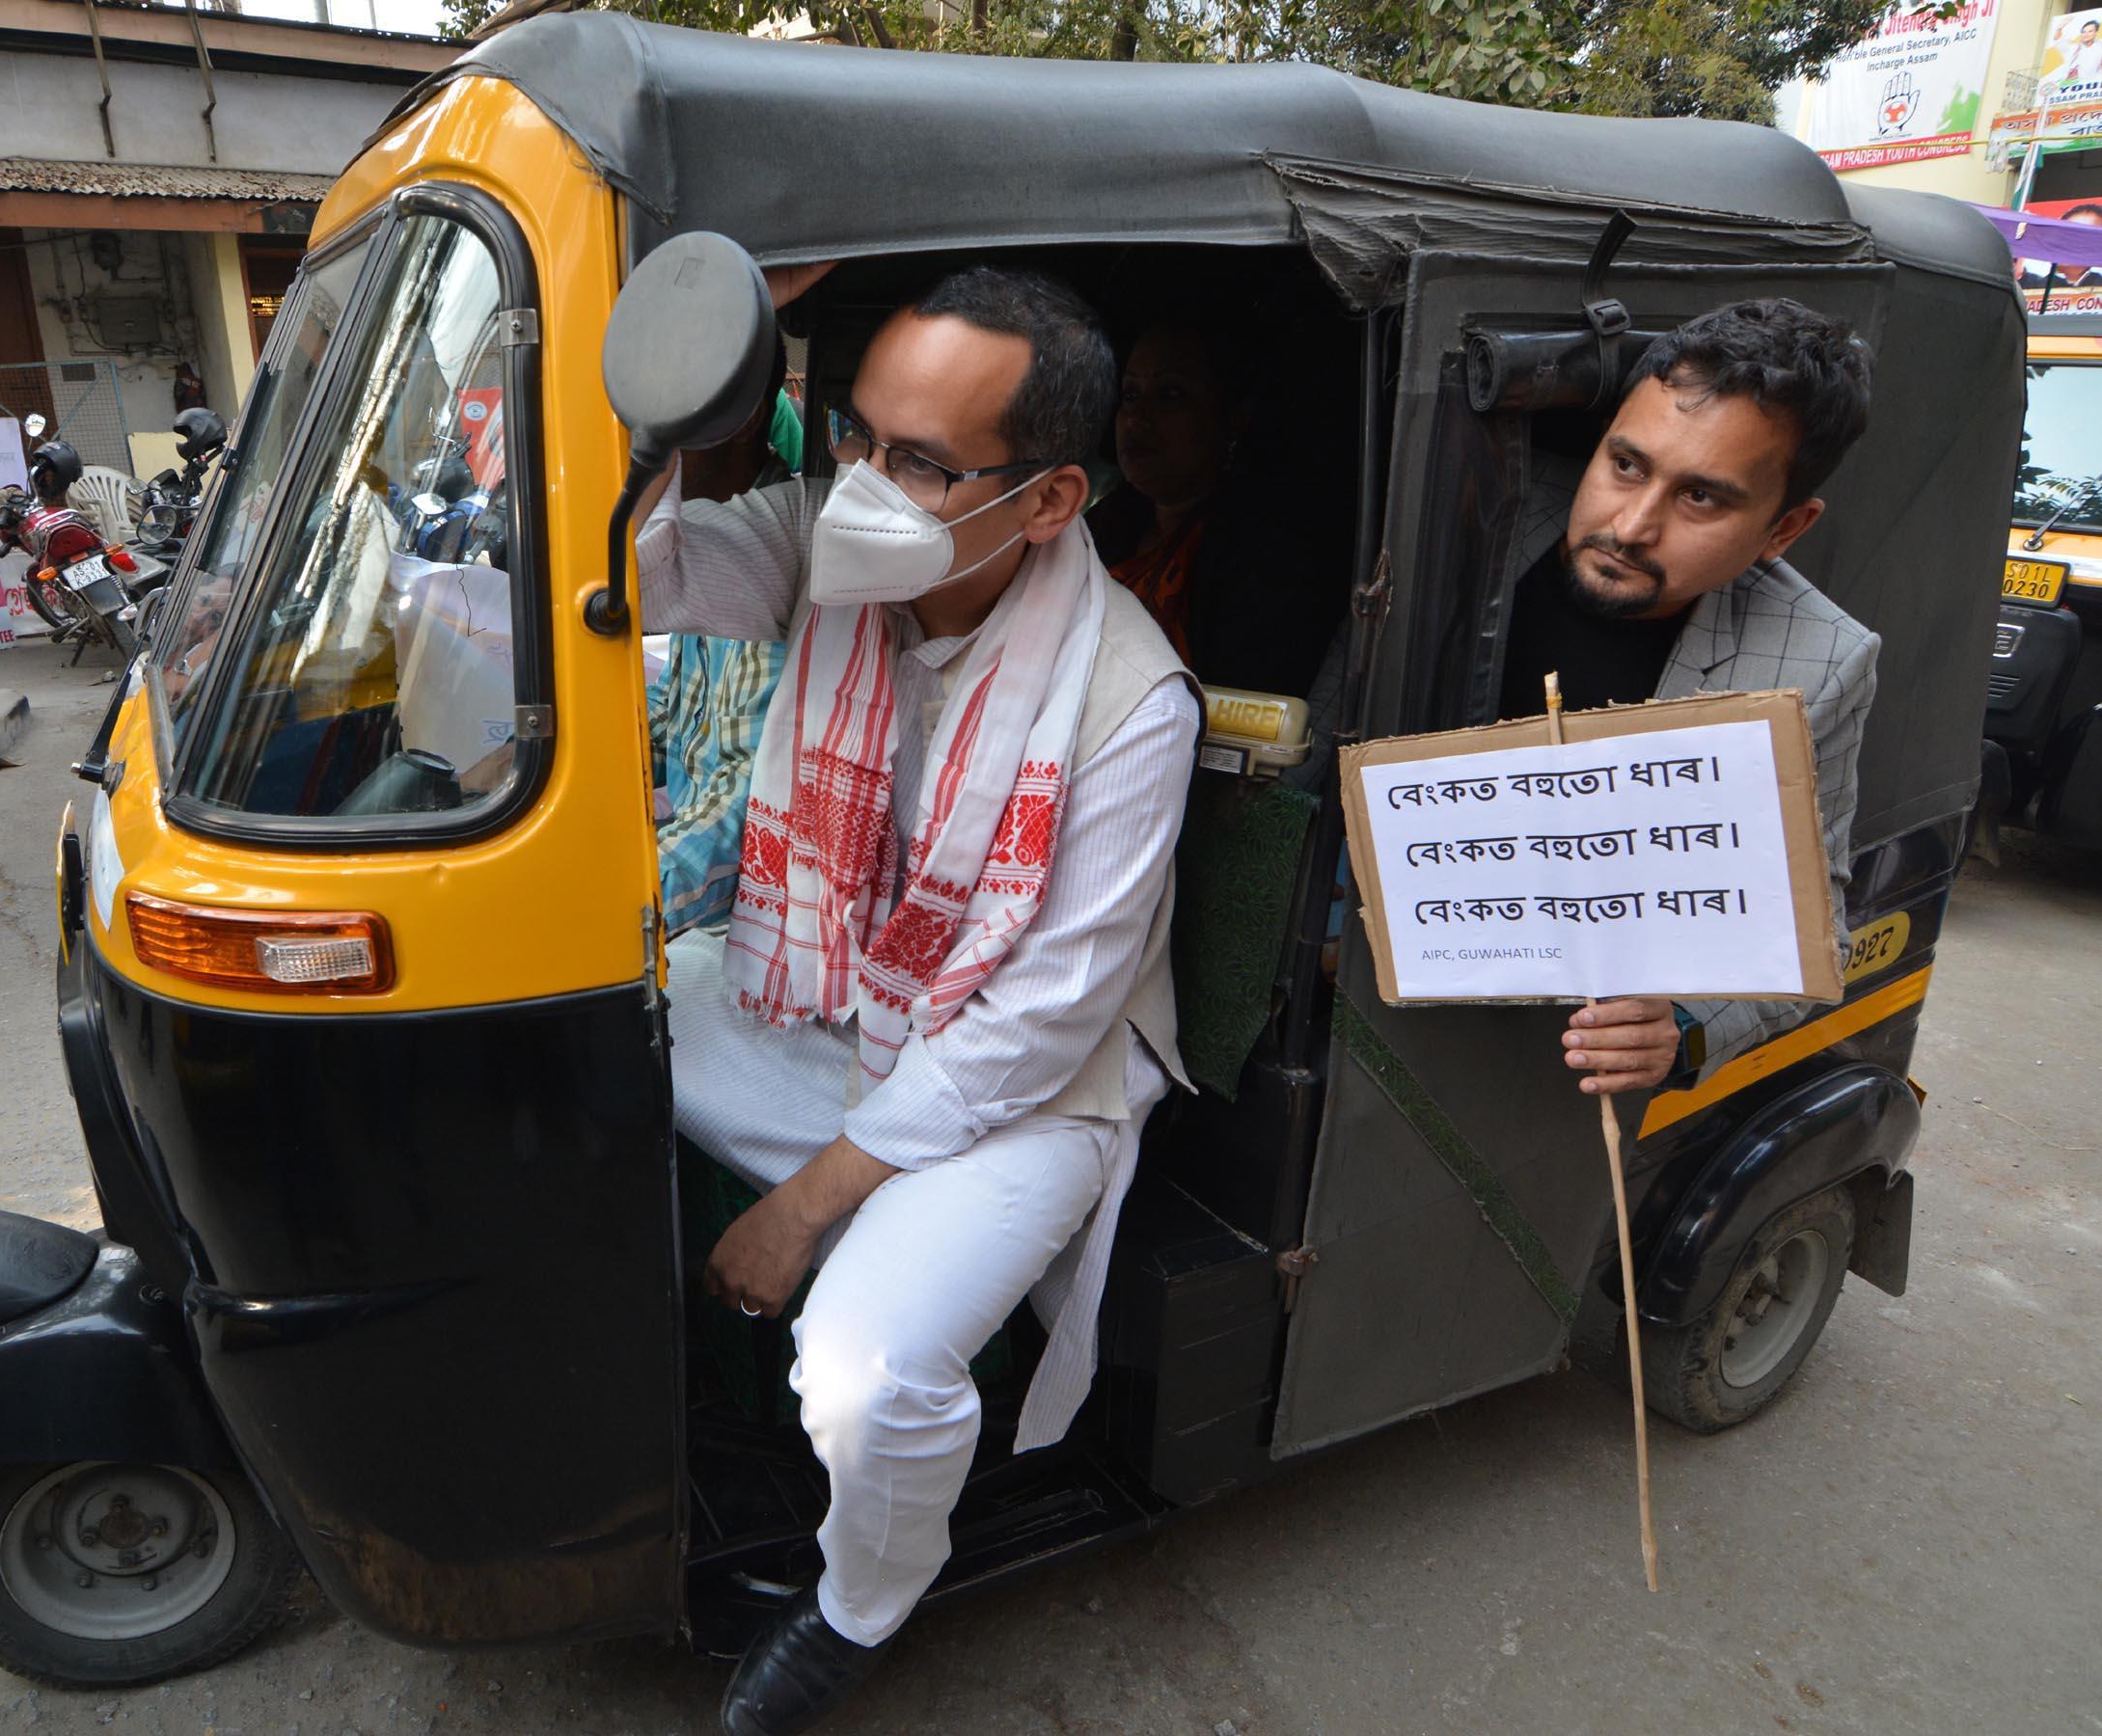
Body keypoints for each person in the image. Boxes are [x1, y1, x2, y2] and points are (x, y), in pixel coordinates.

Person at [635, 264, 1197, 1736]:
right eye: (856, 438)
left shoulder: (1130, 700)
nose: (866, 486)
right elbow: (634, 574)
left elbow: (1037, 1025)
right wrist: (656, 385)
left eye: (922, 463)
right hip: (839, 1002)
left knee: (864, 1372)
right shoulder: (822, 542)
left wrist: (804, 1207)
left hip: (1027, 1085)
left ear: (1049, 499)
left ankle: (857, 1605)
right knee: (602, 1014)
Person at [1310, 296, 1878, 1095]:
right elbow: (1315, 752)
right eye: (1627, 465)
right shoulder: (1468, 507)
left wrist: (1682, 1025)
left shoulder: (1818, 661)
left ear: (1784, 530)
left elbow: (1814, 930)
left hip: (1537, 1077)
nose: (1632, 525)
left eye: (1701, 498)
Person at [1086, 314, 1338, 692]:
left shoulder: (1264, 555)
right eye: (1130, 395)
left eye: (1169, 395)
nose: (1135, 419)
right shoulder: (1102, 525)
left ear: (1233, 419)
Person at [648, 355, 797, 934]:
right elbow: (674, 712)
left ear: (741, 417)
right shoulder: (698, 530)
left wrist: (621, 908)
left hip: (750, 922)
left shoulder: (778, 552)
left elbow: (746, 801)